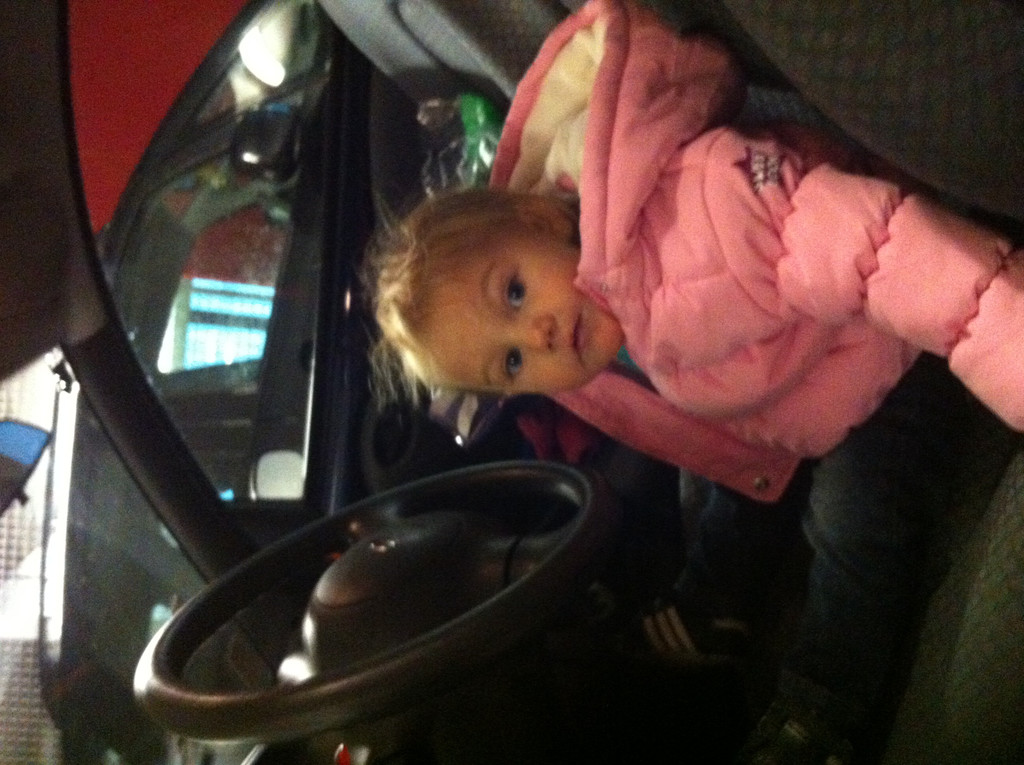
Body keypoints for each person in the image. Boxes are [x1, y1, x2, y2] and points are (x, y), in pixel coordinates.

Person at [362, 0, 1016, 760]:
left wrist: (1002, 332)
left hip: (887, 343)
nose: (535, 336)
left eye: (512, 292)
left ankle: (823, 706)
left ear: (540, 220)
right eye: (510, 363)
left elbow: (876, 245)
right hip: (790, 391)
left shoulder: (702, 205)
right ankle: (718, 603)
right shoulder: (596, 343)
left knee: (850, 527)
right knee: (712, 488)